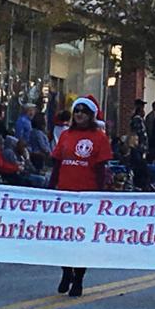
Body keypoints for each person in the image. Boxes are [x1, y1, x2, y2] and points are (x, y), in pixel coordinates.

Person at [51, 96, 113, 298]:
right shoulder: (66, 136)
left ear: (91, 115)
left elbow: (101, 169)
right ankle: (66, 271)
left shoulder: (99, 138)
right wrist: (50, 188)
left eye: (83, 111)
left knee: (81, 239)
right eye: (76, 111)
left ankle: (79, 278)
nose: (79, 115)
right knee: (62, 238)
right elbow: (57, 163)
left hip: (86, 195)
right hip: (64, 193)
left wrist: (100, 194)